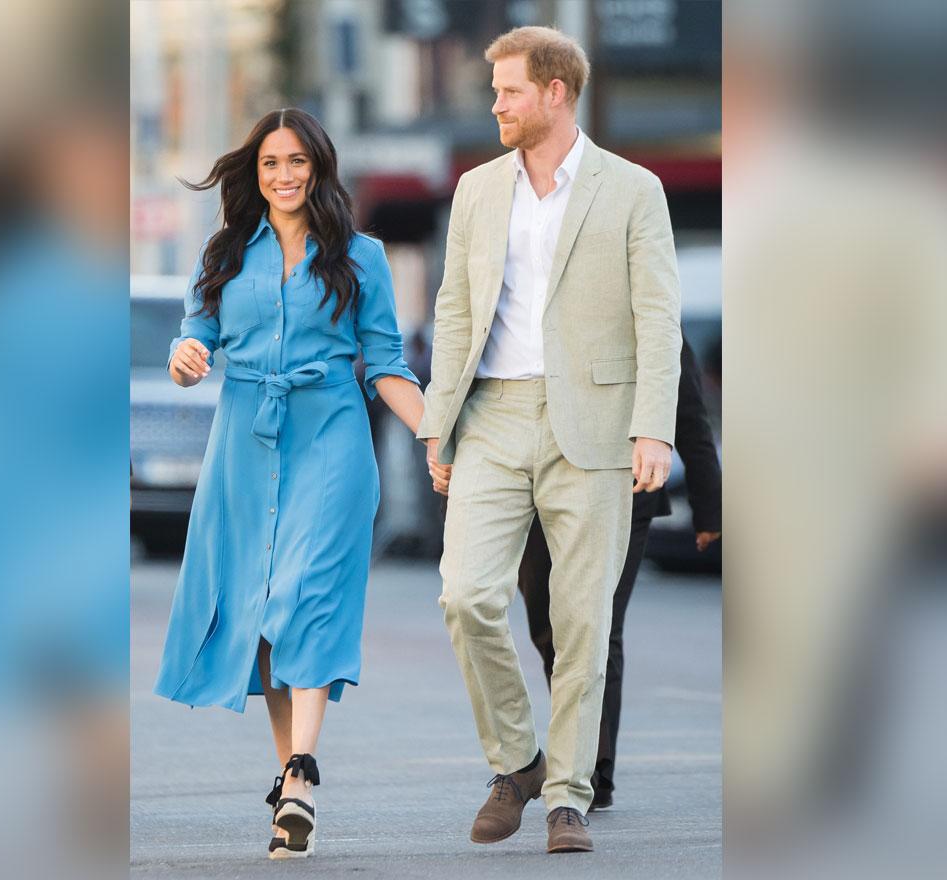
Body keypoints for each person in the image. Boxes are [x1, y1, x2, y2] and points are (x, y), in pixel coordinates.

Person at [416, 27, 683, 854]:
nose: (494, 104)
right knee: (466, 595)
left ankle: (567, 794)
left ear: (556, 92)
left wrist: (653, 429)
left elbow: (658, 315)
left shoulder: (632, 188)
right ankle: (518, 760)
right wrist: (438, 422)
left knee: (581, 620)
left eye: (508, 91)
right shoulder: (475, 190)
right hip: (491, 414)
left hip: (595, 423)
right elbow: (455, 310)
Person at [152, 108, 424, 860]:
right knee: (264, 618)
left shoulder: (360, 256)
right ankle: (290, 792)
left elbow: (388, 362)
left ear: (319, 168)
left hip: (333, 433)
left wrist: (438, 432)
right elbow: (195, 333)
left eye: (298, 161)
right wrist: (185, 354)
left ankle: (301, 769)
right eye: (271, 162)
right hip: (243, 441)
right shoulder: (225, 251)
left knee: (306, 593)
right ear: (255, 172)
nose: (284, 175)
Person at [517, 334, 722, 813]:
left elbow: (686, 404)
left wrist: (710, 507)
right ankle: (581, 746)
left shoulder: (643, 303)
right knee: (548, 627)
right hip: (537, 492)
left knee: (598, 624)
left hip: (627, 492)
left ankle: (590, 768)